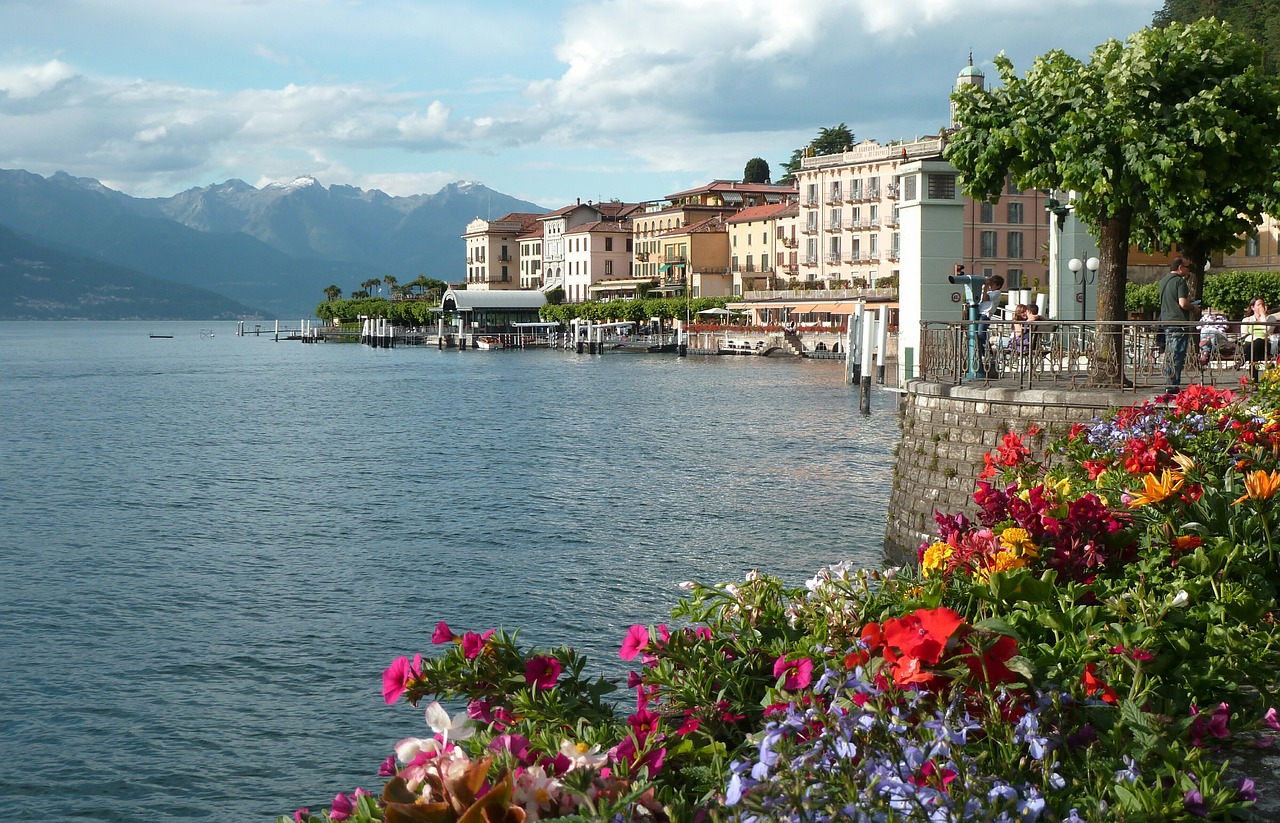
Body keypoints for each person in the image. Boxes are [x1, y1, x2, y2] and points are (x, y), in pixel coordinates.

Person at [1157, 257, 1193, 394]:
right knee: (1177, 354)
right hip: (1179, 323)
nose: (1187, 270)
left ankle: (1168, 382)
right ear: (1180, 268)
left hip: (1166, 321)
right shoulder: (1180, 282)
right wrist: (1193, 307)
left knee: (1170, 353)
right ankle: (1173, 384)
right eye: (1187, 267)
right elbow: (1183, 303)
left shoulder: (1163, 281)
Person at [1240, 296, 1274, 377]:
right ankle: (1254, 382)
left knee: (1258, 341)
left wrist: (1263, 316)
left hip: (1265, 345)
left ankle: (1242, 360)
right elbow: (1244, 336)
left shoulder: (1271, 319)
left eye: (1262, 304)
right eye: (1258, 305)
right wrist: (1253, 339)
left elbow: (1267, 331)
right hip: (1251, 346)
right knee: (1253, 350)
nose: (1261, 307)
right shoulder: (1247, 320)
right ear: (1252, 307)